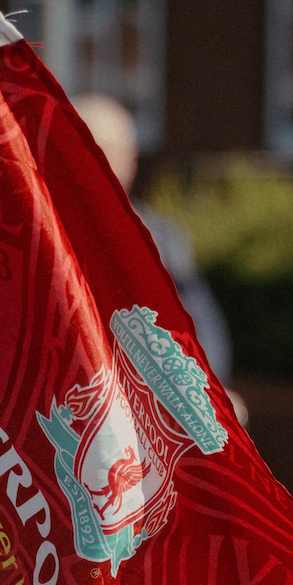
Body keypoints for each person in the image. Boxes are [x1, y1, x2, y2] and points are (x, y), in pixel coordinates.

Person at [73, 95, 234, 388]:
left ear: (132, 161)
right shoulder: (38, 231)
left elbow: (201, 330)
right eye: (87, 147)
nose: (100, 161)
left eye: (110, 150)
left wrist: (210, 395)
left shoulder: (162, 238)